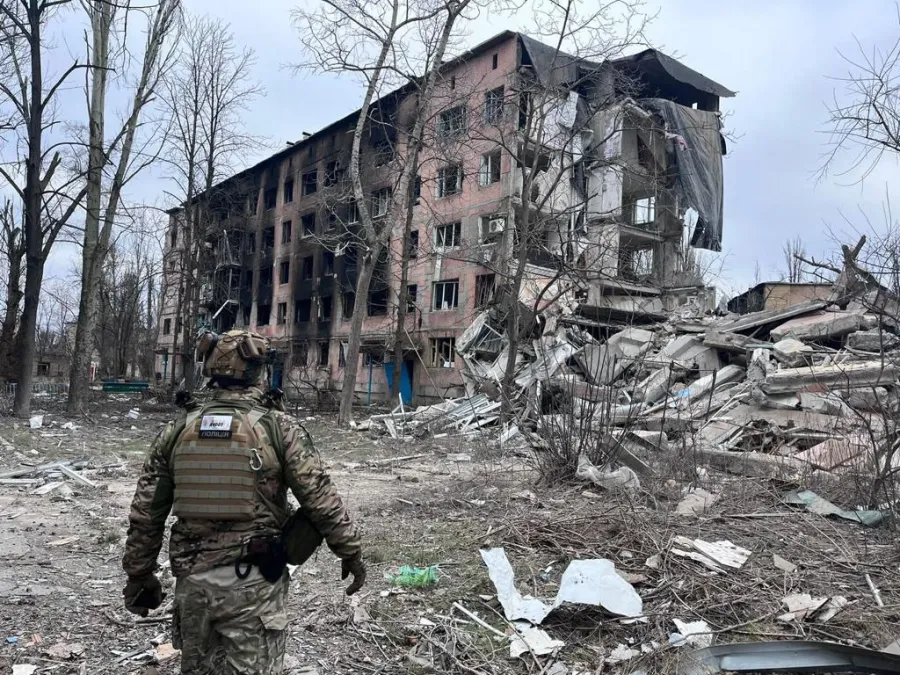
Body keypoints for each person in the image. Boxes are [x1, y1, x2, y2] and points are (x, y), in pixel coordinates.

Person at [121, 330, 365, 674]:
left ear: (209, 370)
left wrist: (139, 574)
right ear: (260, 371)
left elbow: (146, 514)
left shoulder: (176, 431)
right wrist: (350, 551)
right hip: (254, 586)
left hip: (194, 584)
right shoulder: (279, 429)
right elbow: (320, 498)